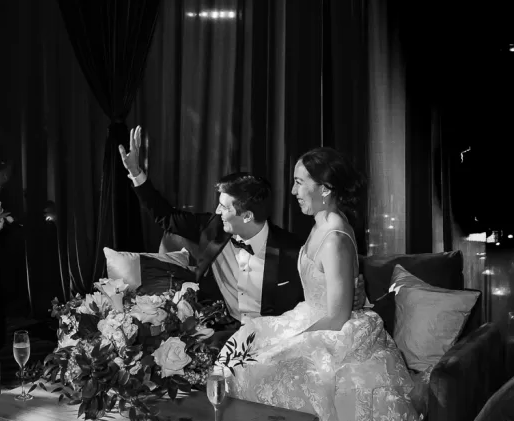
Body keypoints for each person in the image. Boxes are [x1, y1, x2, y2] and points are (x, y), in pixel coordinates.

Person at [225, 146, 424, 421]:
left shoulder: (334, 236)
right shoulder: (319, 224)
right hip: (318, 318)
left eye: (300, 182)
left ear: (326, 188)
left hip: (338, 329)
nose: (293, 190)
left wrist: (289, 339)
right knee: (250, 355)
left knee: (278, 370)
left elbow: (335, 314)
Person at [118, 126, 365, 335]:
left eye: (224, 207)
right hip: (220, 331)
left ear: (247, 216)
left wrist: (355, 296)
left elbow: (323, 299)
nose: (216, 212)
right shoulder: (212, 228)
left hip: (270, 335)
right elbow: (167, 216)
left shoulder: (292, 250)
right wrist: (136, 173)